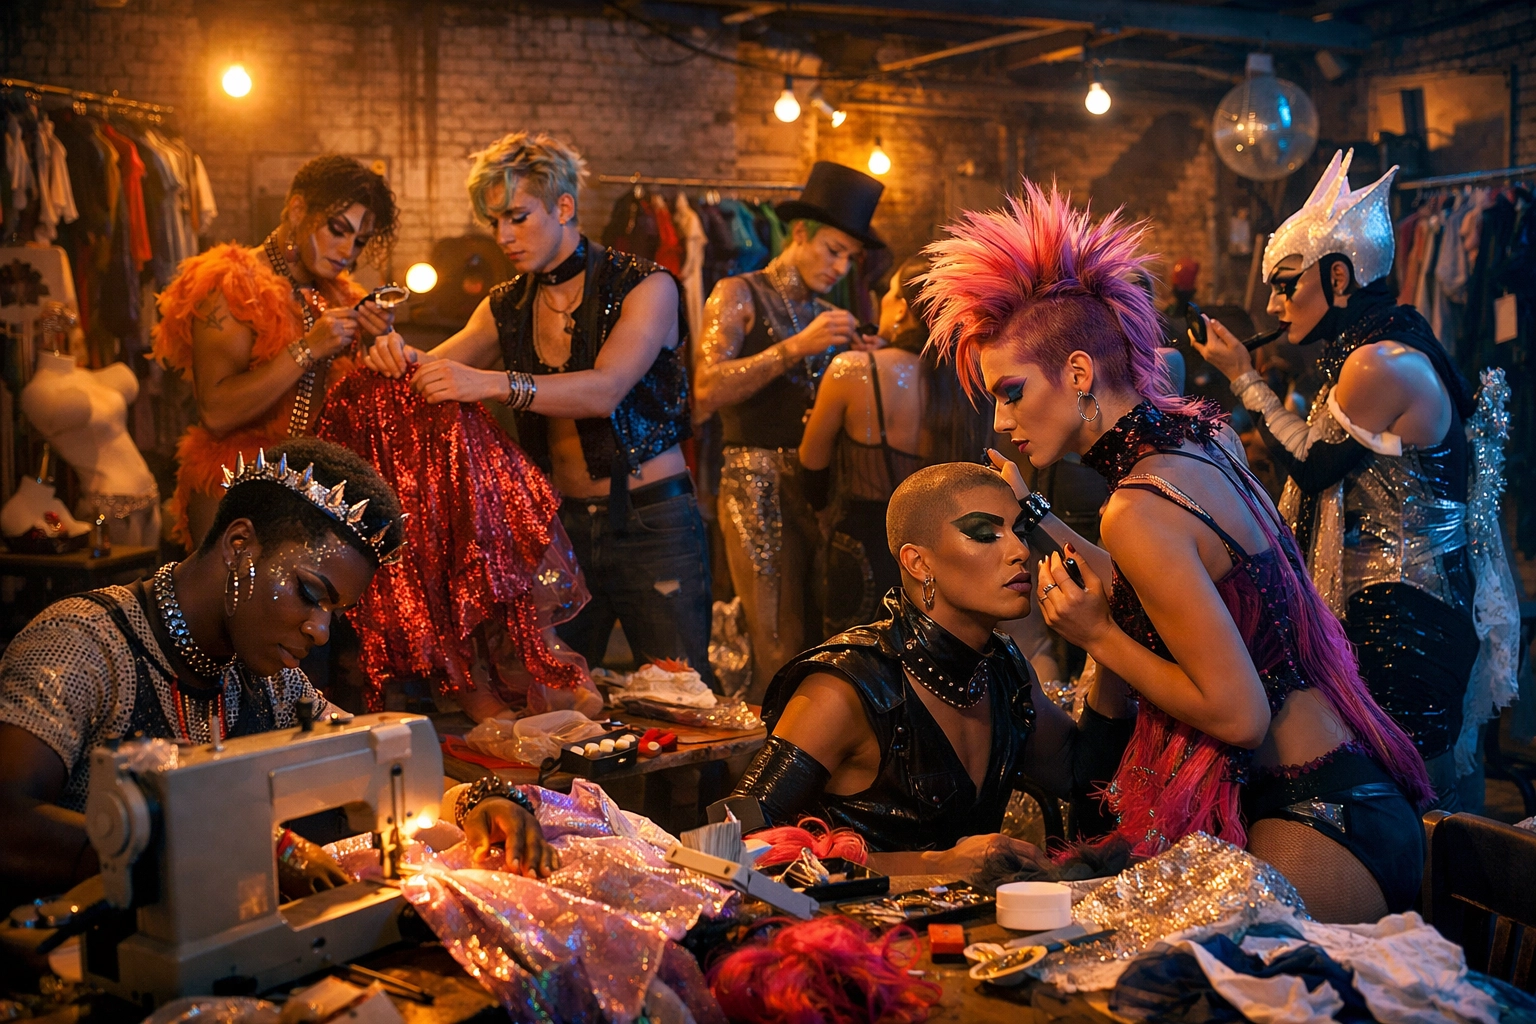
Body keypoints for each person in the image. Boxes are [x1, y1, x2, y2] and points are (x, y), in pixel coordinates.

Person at [921, 182, 1433, 923]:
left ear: (1075, 374)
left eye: (1009, 392)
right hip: (1348, 789)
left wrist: (1096, 637)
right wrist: (1032, 514)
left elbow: (1239, 716)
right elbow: (1157, 582)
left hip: (1315, 822)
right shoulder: (1197, 439)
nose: (1002, 422)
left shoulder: (1138, 505)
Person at [0, 439, 554, 907]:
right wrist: (237, 855)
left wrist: (479, 801)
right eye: (310, 595)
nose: (319, 631)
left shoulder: (264, 677)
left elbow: (378, 763)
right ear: (239, 544)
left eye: (332, 613)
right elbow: (7, 822)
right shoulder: (82, 645)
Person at [1192, 150, 1519, 812]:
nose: (1274, 303)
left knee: (1408, 803)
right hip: (1385, 608)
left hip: (1405, 617)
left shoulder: (1378, 363)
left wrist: (1244, 378)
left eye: (1287, 283)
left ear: (1339, 276)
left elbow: (1314, 466)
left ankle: (1428, 910)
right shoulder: (1376, 350)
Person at [364, 132, 713, 688]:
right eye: (495, 221)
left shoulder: (647, 285)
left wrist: (491, 383)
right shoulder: (506, 303)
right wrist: (387, 350)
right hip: (561, 525)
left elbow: (604, 390)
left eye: (518, 217)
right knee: (562, 699)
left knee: (682, 692)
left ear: (564, 206)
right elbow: (427, 371)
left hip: (651, 519)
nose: (503, 235)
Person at [721, 462, 1134, 873]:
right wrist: (933, 864)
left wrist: (1106, 640)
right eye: (986, 534)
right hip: (851, 932)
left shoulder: (1004, 669)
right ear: (919, 563)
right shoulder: (847, 685)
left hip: (975, 933)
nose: (1021, 551)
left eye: (1020, 532)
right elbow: (732, 848)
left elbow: (1089, 782)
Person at [693, 162, 885, 697]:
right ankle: (765, 770)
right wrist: (795, 348)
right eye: (832, 250)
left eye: (851, 257)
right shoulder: (737, 293)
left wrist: (863, 365)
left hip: (820, 490)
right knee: (776, 640)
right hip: (754, 487)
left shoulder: (828, 315)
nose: (841, 267)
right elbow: (706, 390)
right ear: (799, 233)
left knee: (824, 639)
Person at [153, 156, 400, 549]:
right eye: (338, 229)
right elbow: (216, 412)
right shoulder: (230, 283)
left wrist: (378, 343)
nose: (347, 251)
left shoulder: (341, 296)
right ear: (298, 209)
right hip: (236, 483)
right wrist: (308, 348)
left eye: (359, 241)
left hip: (316, 491)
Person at [799, 253, 993, 635]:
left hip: (863, 547)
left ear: (902, 310)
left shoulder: (852, 370)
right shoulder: (971, 381)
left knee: (854, 669)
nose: (882, 301)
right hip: (946, 551)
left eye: (888, 294)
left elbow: (811, 468)